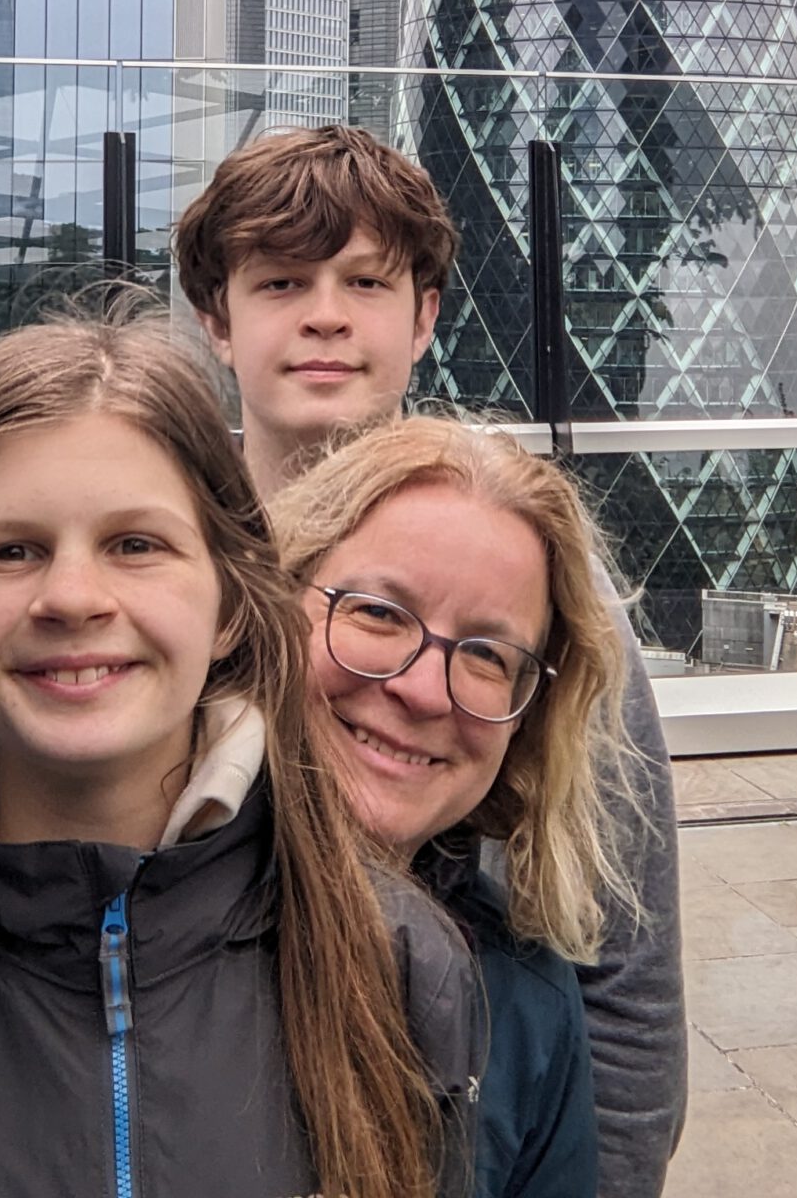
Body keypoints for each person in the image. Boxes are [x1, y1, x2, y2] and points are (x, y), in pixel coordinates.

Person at [0, 313, 478, 1198]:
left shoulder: (393, 960)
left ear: (230, 604)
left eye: (137, 545)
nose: (72, 597)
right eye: (10, 551)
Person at [173, 124, 688, 1195]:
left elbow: (624, 969)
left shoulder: (550, 592)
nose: (325, 314)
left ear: (424, 319)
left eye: (366, 282)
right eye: (281, 281)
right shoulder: (165, 569)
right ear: (217, 320)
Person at [275, 418, 637, 1198]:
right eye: (377, 612)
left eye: (485, 655)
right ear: (276, 604)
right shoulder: (138, 927)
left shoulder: (529, 1003)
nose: (422, 690)